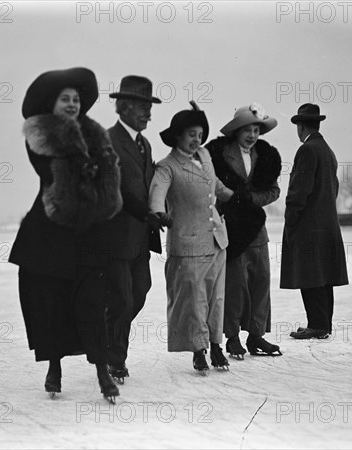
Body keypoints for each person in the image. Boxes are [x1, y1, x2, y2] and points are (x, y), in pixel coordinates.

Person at [8, 67, 123, 402]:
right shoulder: (41, 134)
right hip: (51, 234)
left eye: (76, 99)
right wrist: (87, 169)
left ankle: (103, 372)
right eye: (65, 99)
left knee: (92, 304)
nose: (72, 104)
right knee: (53, 304)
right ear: (52, 104)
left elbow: (108, 177)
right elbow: (57, 177)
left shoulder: (96, 135)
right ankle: (54, 367)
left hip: (90, 233)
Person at [149, 102, 234, 374]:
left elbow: (217, 187)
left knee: (216, 298)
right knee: (194, 302)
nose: (197, 139)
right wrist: (159, 213)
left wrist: (241, 198)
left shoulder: (206, 155)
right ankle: (199, 350)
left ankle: (216, 344)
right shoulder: (167, 167)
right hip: (188, 244)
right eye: (190, 134)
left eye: (199, 134)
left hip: (217, 240)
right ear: (177, 137)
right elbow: (157, 194)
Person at [206, 103, 283, 359]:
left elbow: (274, 191)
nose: (252, 136)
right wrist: (230, 199)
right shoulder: (219, 154)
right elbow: (210, 184)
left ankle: (256, 335)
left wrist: (251, 200)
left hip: (256, 229)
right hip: (231, 227)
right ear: (236, 131)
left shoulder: (266, 157)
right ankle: (232, 337)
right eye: (247, 130)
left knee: (260, 282)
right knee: (234, 285)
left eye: (256, 130)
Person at [103, 75, 162, 383]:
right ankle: (115, 358)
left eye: (149, 107)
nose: (148, 113)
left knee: (139, 292)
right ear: (123, 106)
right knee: (123, 299)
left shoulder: (145, 144)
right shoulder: (107, 140)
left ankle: (107, 337)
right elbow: (113, 190)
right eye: (143, 106)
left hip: (141, 236)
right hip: (114, 237)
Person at [280, 103, 348, 339]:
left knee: (310, 275)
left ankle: (317, 326)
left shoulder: (307, 150)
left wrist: (292, 220)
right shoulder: (328, 151)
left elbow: (299, 191)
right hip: (327, 224)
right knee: (323, 277)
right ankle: (322, 324)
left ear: (300, 126)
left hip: (308, 226)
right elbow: (333, 189)